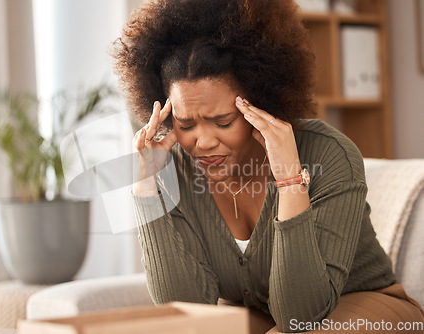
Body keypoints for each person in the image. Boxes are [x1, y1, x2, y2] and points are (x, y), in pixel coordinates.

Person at [112, 0, 424, 332]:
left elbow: (299, 314)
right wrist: (146, 189)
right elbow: (186, 308)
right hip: (268, 315)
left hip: (367, 304)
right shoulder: (174, 168)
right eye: (186, 125)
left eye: (223, 121)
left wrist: (290, 180)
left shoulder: (328, 154)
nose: (201, 142)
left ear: (259, 105)